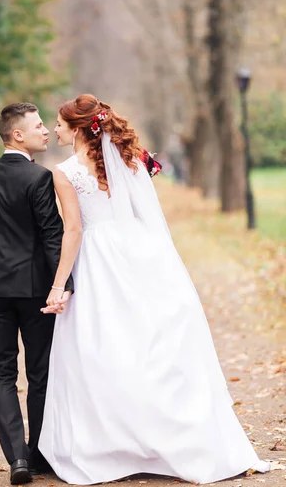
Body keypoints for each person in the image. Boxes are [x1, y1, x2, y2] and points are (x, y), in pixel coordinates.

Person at [38, 94, 270, 485]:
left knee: (102, 346)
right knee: (151, 343)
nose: (55, 129)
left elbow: (74, 230)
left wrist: (59, 284)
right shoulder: (130, 160)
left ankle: (112, 446)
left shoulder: (64, 172)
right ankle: (170, 439)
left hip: (97, 261)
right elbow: (147, 214)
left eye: (59, 124)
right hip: (142, 252)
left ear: (78, 128)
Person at [0, 103, 73, 485]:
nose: (46, 131)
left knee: (2, 373)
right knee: (40, 372)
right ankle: (37, 453)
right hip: (34, 291)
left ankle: (16, 458)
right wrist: (62, 286)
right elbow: (51, 236)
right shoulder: (39, 178)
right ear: (17, 135)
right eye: (38, 125)